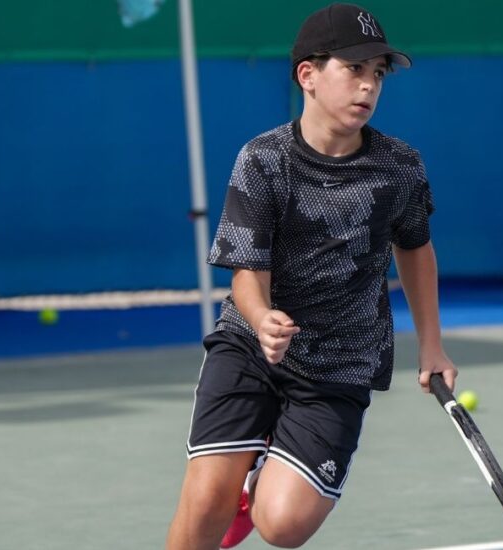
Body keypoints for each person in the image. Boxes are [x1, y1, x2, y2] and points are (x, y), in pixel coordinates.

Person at [165, 3, 457, 548]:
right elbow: (246, 275)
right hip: (252, 346)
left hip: (340, 362)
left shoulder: (400, 167)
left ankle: (254, 490)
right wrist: (262, 319)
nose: (368, 86)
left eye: (378, 74)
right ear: (308, 75)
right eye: (354, 70)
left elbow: (415, 250)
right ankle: (234, 484)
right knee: (205, 499)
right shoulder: (263, 160)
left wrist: (432, 347)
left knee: (284, 526)